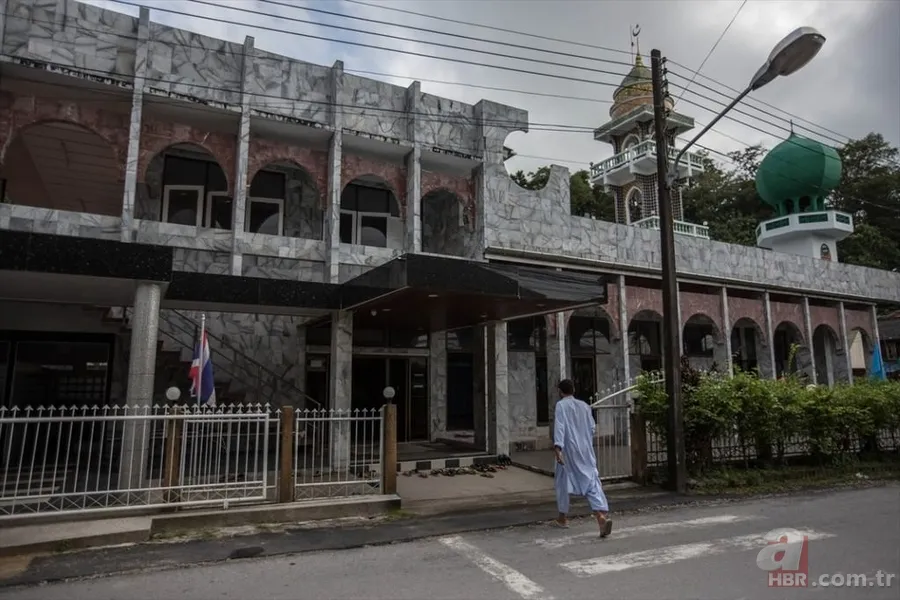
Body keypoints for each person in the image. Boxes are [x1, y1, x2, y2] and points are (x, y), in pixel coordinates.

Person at [552, 379, 612, 537]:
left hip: (569, 449)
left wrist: (558, 448)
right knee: (591, 480)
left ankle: (562, 517)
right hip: (585, 449)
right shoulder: (585, 406)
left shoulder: (561, 405)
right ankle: (601, 515)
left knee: (563, 481)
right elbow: (592, 428)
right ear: (573, 390)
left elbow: (560, 426)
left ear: (560, 391)